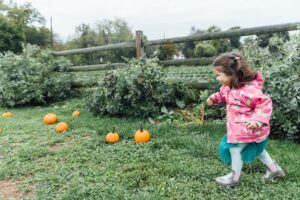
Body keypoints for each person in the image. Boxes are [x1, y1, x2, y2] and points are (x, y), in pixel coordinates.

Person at [207, 52, 285, 187]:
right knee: (259, 150)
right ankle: (274, 170)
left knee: (235, 150)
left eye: (219, 75)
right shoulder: (229, 87)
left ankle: (234, 178)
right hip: (241, 129)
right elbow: (223, 94)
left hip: (250, 128)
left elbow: (264, 103)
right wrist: (214, 98)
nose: (217, 79)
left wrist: (258, 121)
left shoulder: (247, 91)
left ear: (232, 74)